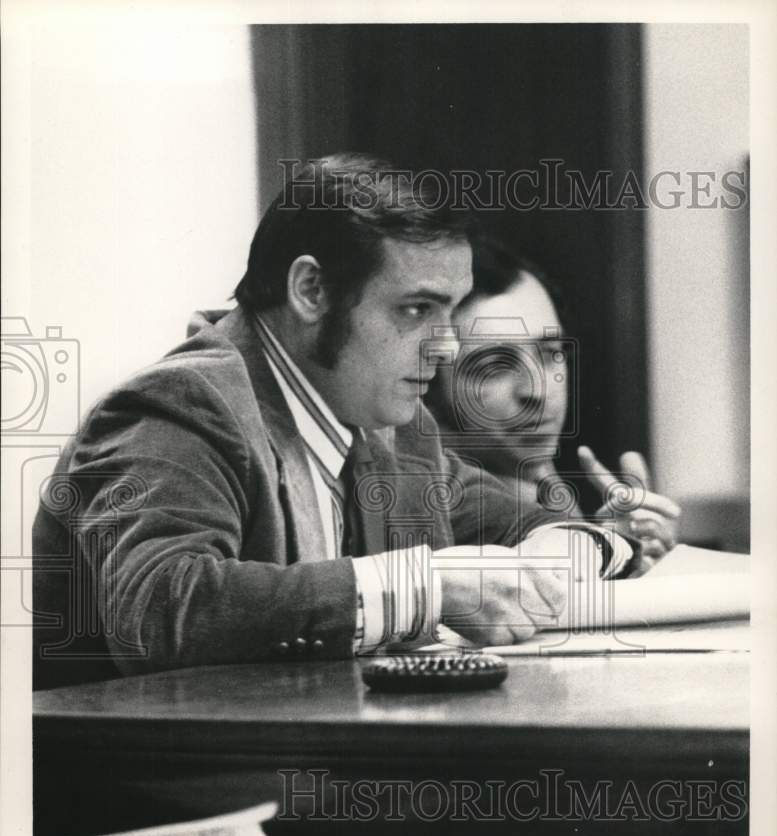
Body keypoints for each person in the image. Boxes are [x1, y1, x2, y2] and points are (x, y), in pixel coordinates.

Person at [33, 154, 636, 688]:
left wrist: (577, 545)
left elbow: (529, 526)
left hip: (317, 769)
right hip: (155, 794)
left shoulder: (394, 424)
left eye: (449, 311)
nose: (447, 347)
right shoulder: (180, 405)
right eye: (417, 308)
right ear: (311, 289)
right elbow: (161, 611)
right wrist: (425, 586)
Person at [427, 234, 681, 576]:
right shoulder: (433, 514)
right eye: (495, 366)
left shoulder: (551, 488)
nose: (537, 389)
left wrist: (623, 557)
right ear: (430, 384)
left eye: (550, 354)